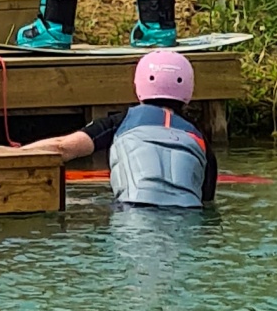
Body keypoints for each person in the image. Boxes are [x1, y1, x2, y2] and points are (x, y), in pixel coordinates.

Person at [23, 50, 217, 209]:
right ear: (188, 90)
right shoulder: (199, 139)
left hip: (134, 215)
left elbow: (62, 148)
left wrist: (12, 154)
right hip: (188, 217)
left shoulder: (121, 122)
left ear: (139, 85)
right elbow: (207, 201)